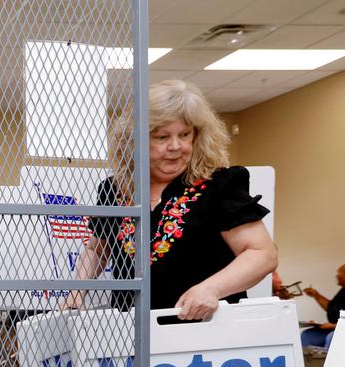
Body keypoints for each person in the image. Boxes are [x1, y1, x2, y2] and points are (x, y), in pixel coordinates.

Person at [67, 80, 278, 320]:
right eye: (162, 137)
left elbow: (262, 254)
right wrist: (75, 294)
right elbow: (97, 249)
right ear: (134, 141)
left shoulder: (219, 186)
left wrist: (211, 288)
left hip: (204, 333)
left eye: (184, 135)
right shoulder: (114, 190)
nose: (175, 146)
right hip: (130, 332)